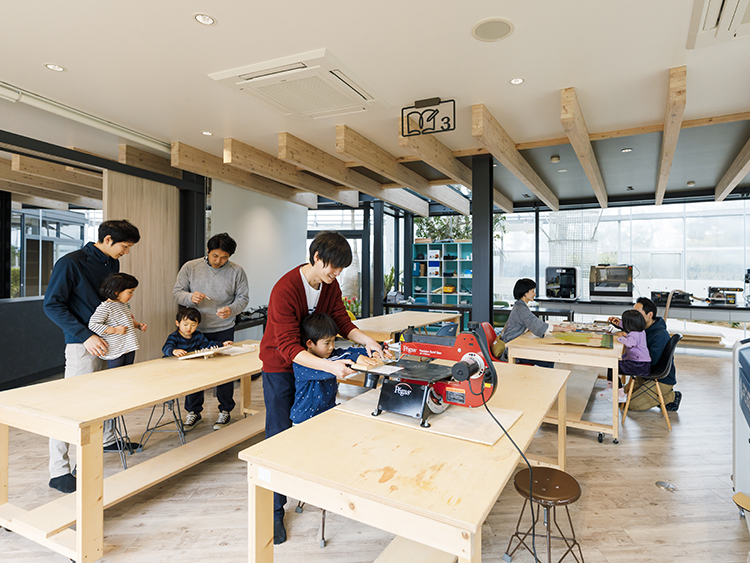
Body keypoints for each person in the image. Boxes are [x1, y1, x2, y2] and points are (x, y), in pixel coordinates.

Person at [260, 231, 389, 545]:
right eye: (334, 267)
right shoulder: (285, 289)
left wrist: (370, 342)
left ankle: (309, 486)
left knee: (315, 428)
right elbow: (289, 347)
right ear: (316, 257)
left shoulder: (330, 285)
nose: (337, 274)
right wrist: (331, 366)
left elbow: (342, 321)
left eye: (341, 269)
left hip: (313, 362)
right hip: (280, 366)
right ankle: (274, 509)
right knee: (279, 434)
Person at [43, 219, 141, 493]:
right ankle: (59, 470)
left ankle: (108, 440)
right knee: (71, 407)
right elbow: (52, 305)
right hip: (81, 344)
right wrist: (86, 335)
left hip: (112, 342)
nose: (127, 252)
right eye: (125, 246)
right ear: (108, 239)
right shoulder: (71, 263)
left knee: (108, 396)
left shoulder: (112, 264)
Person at [173, 233, 249, 431]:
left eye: (224, 257)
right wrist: (190, 297)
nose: (219, 261)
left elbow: (243, 298)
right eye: (215, 256)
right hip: (193, 329)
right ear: (208, 251)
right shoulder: (191, 267)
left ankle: (225, 410)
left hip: (223, 328)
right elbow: (177, 292)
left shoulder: (237, 271)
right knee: (194, 371)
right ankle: (193, 412)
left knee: (224, 371)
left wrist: (231, 309)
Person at [291, 313, 373, 424]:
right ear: (310, 343)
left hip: (327, 414)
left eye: (333, 341)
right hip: (304, 420)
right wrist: (355, 358)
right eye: (327, 343)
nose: (331, 347)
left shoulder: (330, 354)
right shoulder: (301, 364)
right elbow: (331, 365)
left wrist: (372, 352)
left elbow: (348, 351)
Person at [608, 296, 681, 412]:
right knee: (619, 399)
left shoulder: (660, 335)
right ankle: (657, 397)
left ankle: (671, 396)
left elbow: (652, 361)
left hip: (659, 378)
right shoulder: (641, 328)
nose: (633, 315)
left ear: (650, 315)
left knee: (631, 405)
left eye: (637, 313)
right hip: (643, 375)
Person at [88, 273, 147, 369]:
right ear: (116, 292)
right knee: (116, 374)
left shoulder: (124, 305)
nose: (132, 295)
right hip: (116, 349)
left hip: (129, 346)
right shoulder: (105, 307)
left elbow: (127, 321)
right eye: (130, 292)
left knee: (128, 370)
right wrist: (115, 330)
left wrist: (137, 325)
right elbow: (93, 325)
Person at [598, 309, 651, 402]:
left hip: (638, 365)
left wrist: (620, 338)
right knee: (612, 366)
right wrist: (617, 322)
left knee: (613, 366)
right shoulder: (640, 330)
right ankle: (610, 388)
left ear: (629, 325)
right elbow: (625, 325)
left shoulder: (634, 334)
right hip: (642, 363)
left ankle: (620, 394)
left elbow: (630, 343)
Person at [500, 278, 555, 367]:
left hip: (514, 345)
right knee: (548, 360)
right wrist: (561, 328)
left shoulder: (519, 305)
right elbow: (538, 326)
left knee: (547, 357)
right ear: (525, 293)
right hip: (512, 350)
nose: (535, 294)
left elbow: (533, 322)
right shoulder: (521, 309)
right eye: (532, 291)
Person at [162, 307, 233, 358]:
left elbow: (207, 345)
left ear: (197, 325)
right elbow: (166, 348)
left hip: (189, 362)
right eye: (185, 324)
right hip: (174, 362)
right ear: (177, 323)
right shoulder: (174, 336)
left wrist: (222, 344)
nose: (189, 328)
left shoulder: (198, 335)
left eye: (193, 325)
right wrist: (174, 351)